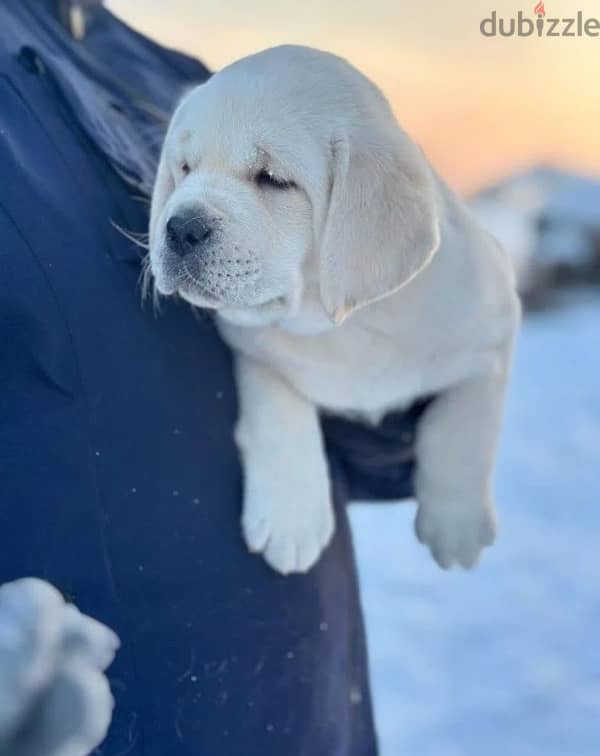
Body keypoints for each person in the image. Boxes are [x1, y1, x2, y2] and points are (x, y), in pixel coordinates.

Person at [0, 1, 429, 753]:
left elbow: (376, 452)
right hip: (117, 719)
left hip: (314, 707)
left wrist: (395, 362)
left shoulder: (185, 79)